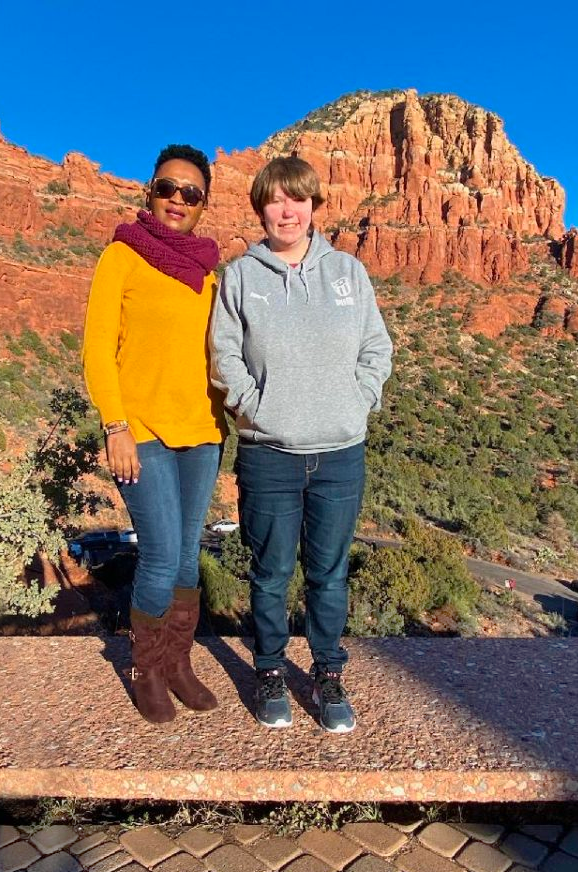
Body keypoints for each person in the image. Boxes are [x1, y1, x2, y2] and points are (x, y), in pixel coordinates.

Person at [210, 156, 392, 733]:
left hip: (341, 452)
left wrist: (357, 400)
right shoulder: (240, 276)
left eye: (298, 199)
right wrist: (256, 409)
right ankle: (268, 671)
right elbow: (224, 356)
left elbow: (376, 348)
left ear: (314, 205)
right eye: (275, 200)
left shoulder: (348, 272)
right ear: (260, 207)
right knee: (269, 573)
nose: (287, 211)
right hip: (268, 455)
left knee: (329, 574)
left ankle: (328, 673)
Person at [83, 144, 227, 725]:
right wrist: (114, 425)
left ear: (203, 205)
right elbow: (97, 349)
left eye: (190, 194)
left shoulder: (211, 273)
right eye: (167, 188)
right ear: (150, 191)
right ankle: (146, 668)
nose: (177, 200)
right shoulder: (121, 256)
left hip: (204, 431)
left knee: (189, 558)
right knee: (163, 553)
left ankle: (177, 664)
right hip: (140, 429)